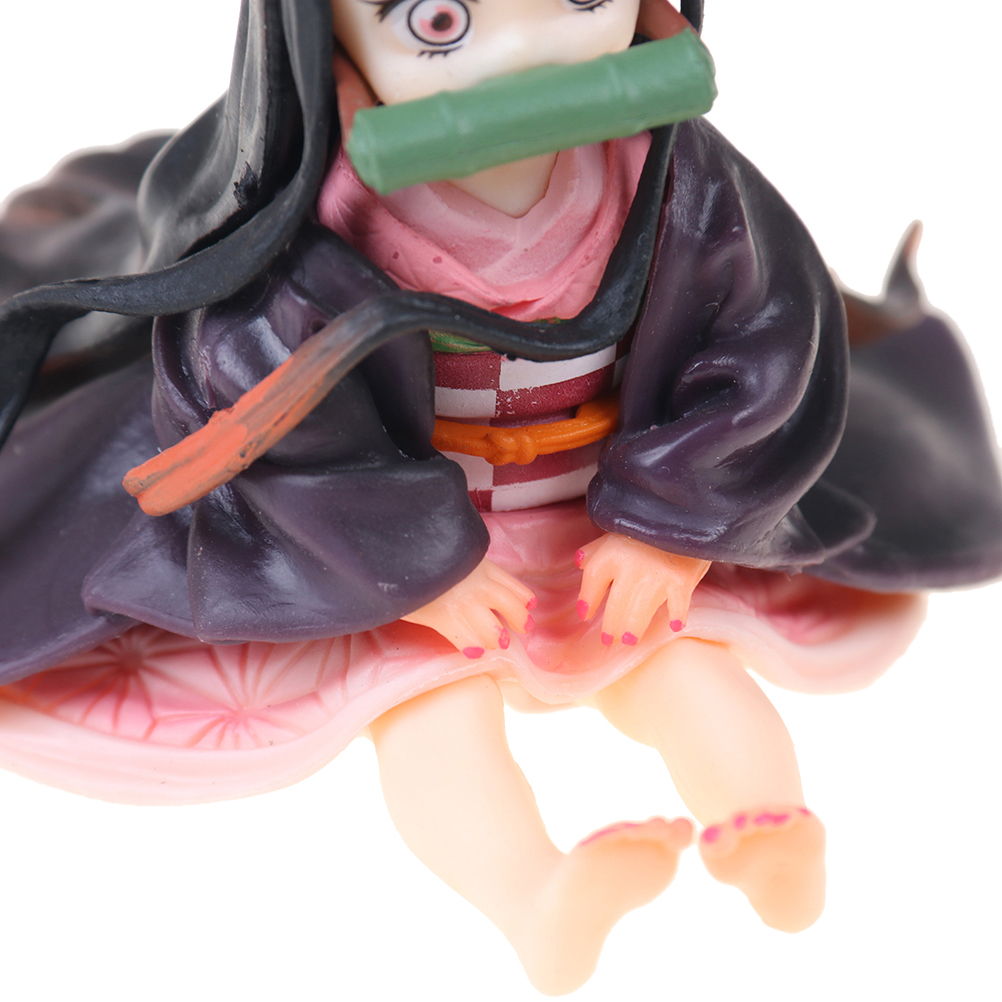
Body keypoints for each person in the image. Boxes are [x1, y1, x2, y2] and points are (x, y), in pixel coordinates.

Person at [0, 1, 999, 994]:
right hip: (405, 528)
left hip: (607, 502)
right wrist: (413, 564)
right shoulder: (319, 225)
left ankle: (767, 822)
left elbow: (762, 339)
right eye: (438, 21)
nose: (525, 55)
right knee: (436, 705)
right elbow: (274, 406)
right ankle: (534, 896)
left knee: (681, 653)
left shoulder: (676, 177)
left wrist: (671, 523)